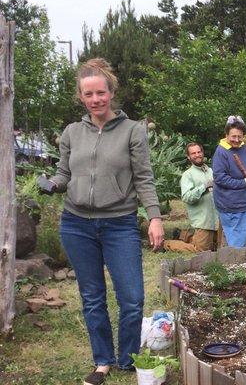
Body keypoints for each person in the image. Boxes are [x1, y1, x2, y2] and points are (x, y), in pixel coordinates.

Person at [41, 58, 164, 385]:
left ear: (111, 92)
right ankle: (103, 361)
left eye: (101, 93)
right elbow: (64, 172)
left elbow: (144, 178)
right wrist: (54, 183)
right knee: (92, 296)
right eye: (88, 94)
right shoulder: (71, 132)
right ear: (81, 96)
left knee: (133, 298)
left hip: (119, 224)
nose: (95, 99)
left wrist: (154, 218)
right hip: (76, 224)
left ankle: (126, 358)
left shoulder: (132, 131)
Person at [212, 116, 246, 247]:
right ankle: (235, 266)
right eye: (233, 136)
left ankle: (241, 265)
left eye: (240, 137)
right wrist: (243, 183)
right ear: (226, 134)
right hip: (235, 206)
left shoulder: (242, 147)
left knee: (244, 240)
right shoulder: (221, 152)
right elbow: (220, 178)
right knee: (237, 244)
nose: (237, 140)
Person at [165, 142, 218, 252]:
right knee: (201, 250)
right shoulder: (187, 175)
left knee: (217, 248)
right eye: (193, 153)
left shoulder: (212, 171)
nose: (197, 155)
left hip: (217, 220)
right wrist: (203, 187)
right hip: (203, 221)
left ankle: (183, 235)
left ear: (202, 153)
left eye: (199, 152)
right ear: (188, 157)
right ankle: (167, 244)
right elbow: (187, 197)